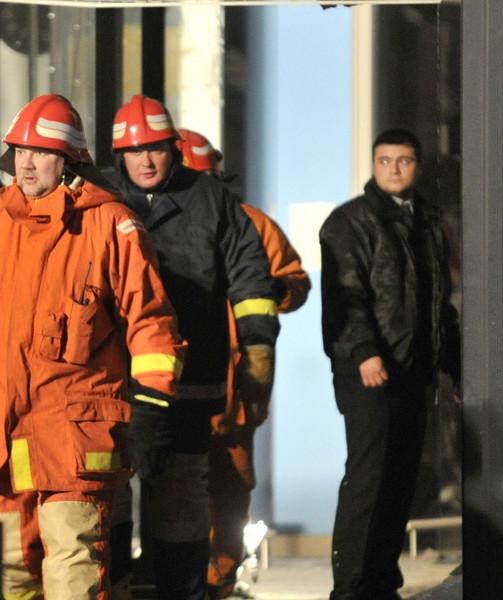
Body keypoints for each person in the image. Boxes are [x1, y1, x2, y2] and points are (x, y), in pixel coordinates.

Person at [0, 93, 187, 600]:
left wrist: (154, 398)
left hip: (71, 440)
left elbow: (150, 317)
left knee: (73, 571)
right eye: (20, 150)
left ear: (69, 160)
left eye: (40, 152)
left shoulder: (112, 224)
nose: (25, 161)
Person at [104, 95, 281, 600]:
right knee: (109, 498)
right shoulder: (95, 194)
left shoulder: (211, 198)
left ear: (172, 148)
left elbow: (251, 277)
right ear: (120, 155)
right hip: (112, 383)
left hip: (190, 379)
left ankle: (183, 593)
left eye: (155, 149)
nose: (146, 161)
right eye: (135, 152)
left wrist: (258, 351)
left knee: (180, 497)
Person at [319, 127, 459, 600]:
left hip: (412, 370)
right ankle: (352, 588)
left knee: (400, 479)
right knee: (368, 477)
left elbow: (441, 306)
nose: (394, 169)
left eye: (403, 161)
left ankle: (380, 582)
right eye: (385, 160)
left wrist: (455, 367)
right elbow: (346, 297)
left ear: (416, 166)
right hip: (368, 372)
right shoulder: (349, 222)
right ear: (373, 165)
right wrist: (363, 352)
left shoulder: (427, 224)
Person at [177, 128, 311, 600]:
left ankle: (218, 582)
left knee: (229, 490)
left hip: (237, 388)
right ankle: (185, 580)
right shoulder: (151, 222)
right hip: (174, 385)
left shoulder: (250, 223)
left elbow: (294, 280)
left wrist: (273, 291)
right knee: (175, 490)